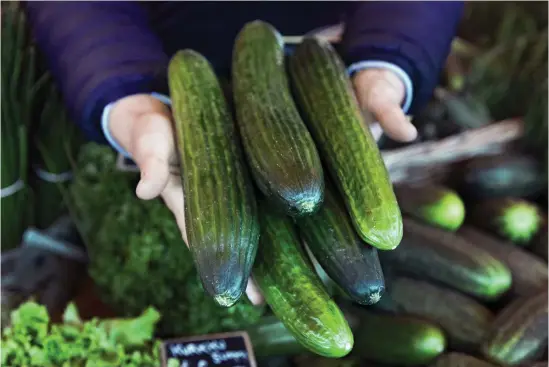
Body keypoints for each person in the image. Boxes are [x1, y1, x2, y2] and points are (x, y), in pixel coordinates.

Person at [25, 1, 464, 304]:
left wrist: (391, 56)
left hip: (320, 59)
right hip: (162, 72)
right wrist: (121, 91)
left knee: (309, 203)